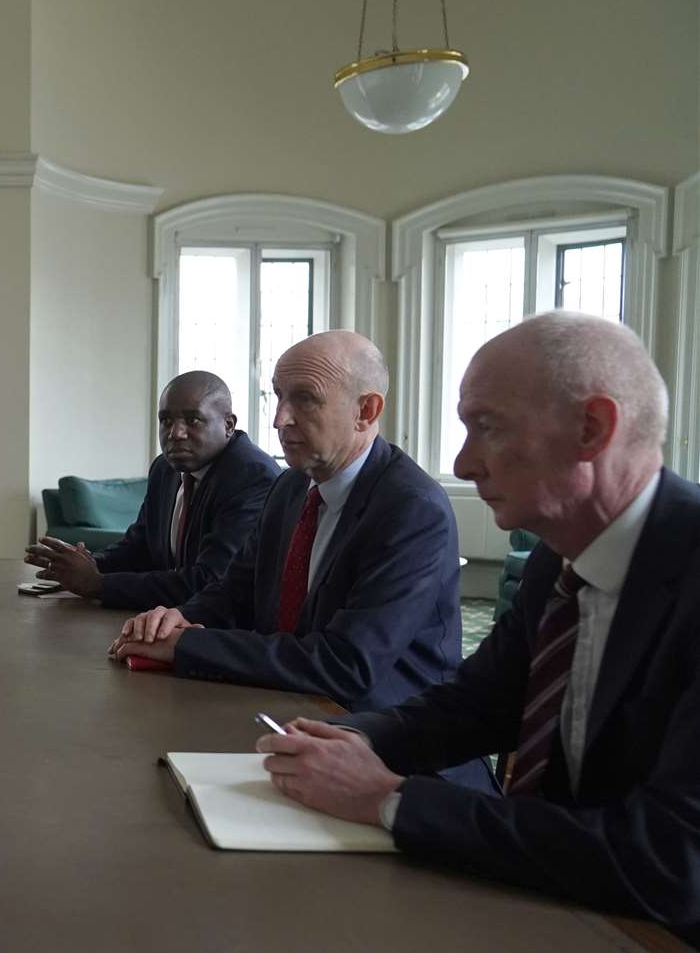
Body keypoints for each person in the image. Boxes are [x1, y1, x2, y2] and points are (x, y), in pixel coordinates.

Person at [257, 312, 700, 942]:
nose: (463, 466)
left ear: (592, 429)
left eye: (486, 428)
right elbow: (476, 705)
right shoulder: (560, 553)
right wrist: (345, 739)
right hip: (552, 912)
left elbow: (672, 861)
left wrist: (388, 798)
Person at [111, 331, 492, 792]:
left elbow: (346, 663)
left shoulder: (411, 508)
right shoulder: (292, 487)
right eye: (277, 396)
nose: (279, 420)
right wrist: (176, 619)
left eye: (305, 399)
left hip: (386, 752)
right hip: (284, 714)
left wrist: (187, 647)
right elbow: (234, 592)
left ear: (366, 411)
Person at [24, 371, 277, 609]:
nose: (176, 433)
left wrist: (98, 584)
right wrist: (84, 566)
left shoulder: (252, 476)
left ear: (228, 425)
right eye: (166, 420)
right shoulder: (165, 468)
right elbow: (140, 547)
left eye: (193, 420)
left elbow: (210, 581)